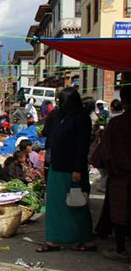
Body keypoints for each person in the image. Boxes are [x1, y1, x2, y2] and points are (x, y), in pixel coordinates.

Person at [37, 87, 96, 253]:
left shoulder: (80, 119)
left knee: (77, 204)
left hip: (70, 170)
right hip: (59, 167)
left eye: (61, 101)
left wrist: (77, 169)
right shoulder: (67, 117)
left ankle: (85, 240)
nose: (58, 104)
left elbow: (82, 146)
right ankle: (55, 239)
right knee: (58, 206)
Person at [91, 85, 131, 262]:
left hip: (120, 175)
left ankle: (121, 249)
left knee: (120, 211)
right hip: (121, 173)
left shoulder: (116, 124)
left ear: (123, 101)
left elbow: (104, 152)